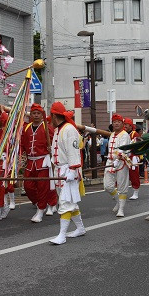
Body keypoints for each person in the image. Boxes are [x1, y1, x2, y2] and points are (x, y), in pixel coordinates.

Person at [48, 102, 86, 245]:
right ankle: (81, 228)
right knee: (70, 202)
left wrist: (72, 170)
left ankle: (62, 235)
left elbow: (73, 151)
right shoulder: (59, 129)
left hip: (69, 171)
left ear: (53, 115)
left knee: (65, 202)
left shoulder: (69, 129)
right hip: (61, 170)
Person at [21, 103, 57, 223]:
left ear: (42, 115)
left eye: (38, 113)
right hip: (30, 162)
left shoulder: (47, 127)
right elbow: (23, 143)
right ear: (30, 115)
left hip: (43, 161)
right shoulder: (26, 127)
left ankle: (40, 210)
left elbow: (55, 142)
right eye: (34, 113)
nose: (36, 115)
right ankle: (39, 203)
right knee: (28, 186)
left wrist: (52, 149)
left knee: (43, 187)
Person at [103, 115, 130, 217]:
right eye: (114, 122)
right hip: (110, 162)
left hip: (121, 161)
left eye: (119, 121)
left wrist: (118, 159)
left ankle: (121, 209)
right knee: (107, 186)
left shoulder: (125, 135)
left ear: (122, 123)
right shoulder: (112, 134)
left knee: (122, 186)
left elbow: (122, 149)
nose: (116, 123)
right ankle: (118, 201)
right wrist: (112, 161)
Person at [125, 118, 142, 200]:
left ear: (131, 126)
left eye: (126, 125)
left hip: (133, 156)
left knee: (134, 174)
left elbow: (139, 144)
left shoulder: (134, 134)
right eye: (124, 125)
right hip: (124, 156)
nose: (125, 126)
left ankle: (136, 192)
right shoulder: (123, 134)